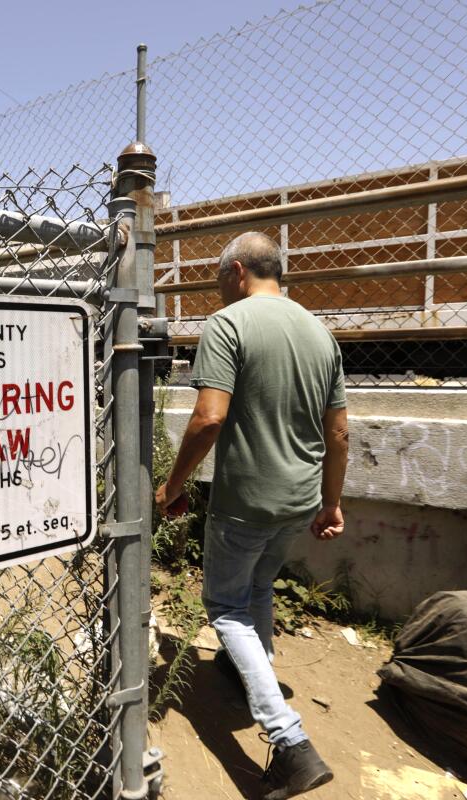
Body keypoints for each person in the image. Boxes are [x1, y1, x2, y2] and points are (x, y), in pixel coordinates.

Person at [155, 231, 349, 800]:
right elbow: (338, 431)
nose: (218, 291)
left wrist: (173, 484)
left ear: (237, 272)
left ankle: (290, 744)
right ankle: (250, 679)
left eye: (219, 281)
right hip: (300, 500)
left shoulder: (229, 324)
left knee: (225, 607)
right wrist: (332, 501)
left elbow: (209, 419)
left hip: (246, 503)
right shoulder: (320, 332)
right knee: (259, 588)